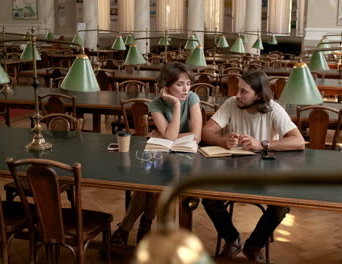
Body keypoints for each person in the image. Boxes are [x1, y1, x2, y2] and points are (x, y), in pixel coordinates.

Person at [201, 69, 305, 262]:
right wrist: (223, 141)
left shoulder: (273, 109)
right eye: (238, 89)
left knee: (281, 206)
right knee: (209, 199)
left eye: (244, 91)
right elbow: (206, 131)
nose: (237, 95)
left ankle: (255, 245)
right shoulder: (231, 103)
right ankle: (232, 240)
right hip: (232, 170)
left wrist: (262, 144)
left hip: (265, 173)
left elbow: (298, 141)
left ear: (258, 95)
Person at [109, 61, 202, 246]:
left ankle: (126, 227)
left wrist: (166, 134)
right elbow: (169, 139)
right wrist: (176, 106)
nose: (186, 89)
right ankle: (145, 223)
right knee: (147, 185)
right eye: (179, 84)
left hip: (187, 159)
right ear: (166, 87)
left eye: (188, 83)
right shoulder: (156, 104)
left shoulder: (192, 98)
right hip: (160, 154)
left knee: (153, 186)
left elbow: (196, 136)